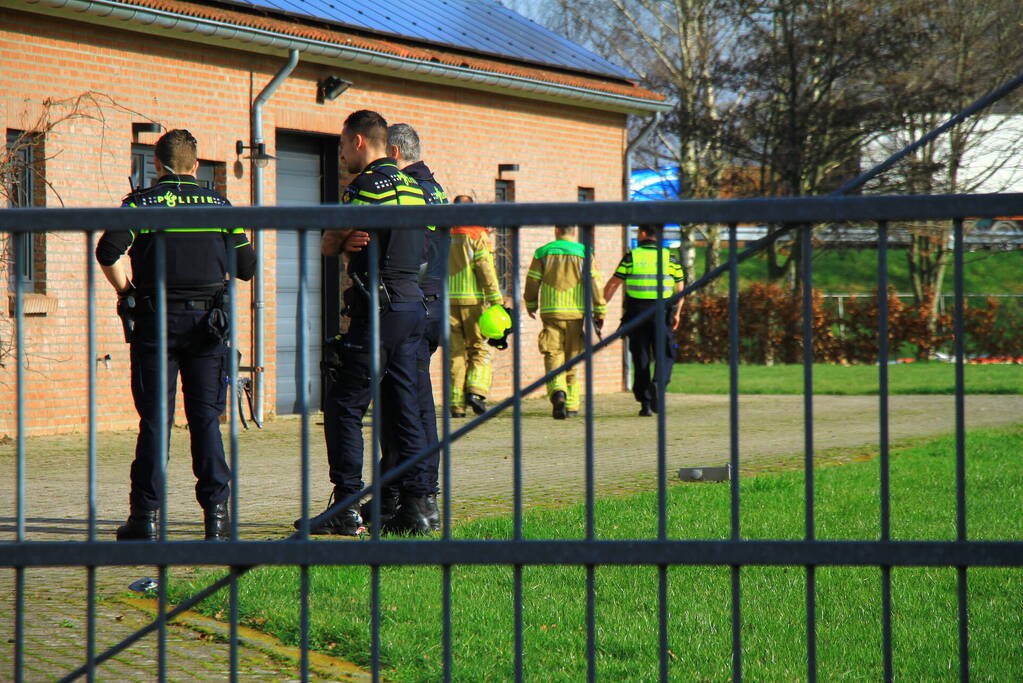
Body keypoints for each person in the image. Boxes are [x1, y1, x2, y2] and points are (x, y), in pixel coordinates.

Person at [95, 128, 255, 541]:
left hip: (155, 323)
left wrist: (126, 291)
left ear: (156, 164)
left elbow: (107, 253)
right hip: (208, 328)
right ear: (196, 165)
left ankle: (145, 519)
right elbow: (246, 267)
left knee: (155, 421)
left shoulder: (142, 204)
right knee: (205, 421)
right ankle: (216, 520)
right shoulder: (220, 206)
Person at [307, 109, 434, 536]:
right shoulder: (416, 188)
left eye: (342, 145)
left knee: (343, 406)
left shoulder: (363, 188)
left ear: (359, 142)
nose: (341, 154)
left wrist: (344, 240)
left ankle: (345, 506)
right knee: (405, 410)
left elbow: (329, 243)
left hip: (376, 310)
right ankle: (418, 507)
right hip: (412, 308)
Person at [366, 122, 447, 532]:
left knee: (405, 408)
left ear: (394, 152)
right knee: (413, 404)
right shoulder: (435, 188)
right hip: (431, 304)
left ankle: (416, 497)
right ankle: (400, 493)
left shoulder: (404, 190)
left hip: (407, 303)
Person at [522, 225, 606, 419]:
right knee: (573, 357)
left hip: (551, 312)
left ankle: (558, 393)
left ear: (557, 230)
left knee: (553, 354)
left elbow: (532, 281)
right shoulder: (585, 253)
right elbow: (595, 282)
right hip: (576, 314)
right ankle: (572, 405)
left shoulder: (543, 252)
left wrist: (531, 303)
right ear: (574, 232)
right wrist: (600, 309)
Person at [603, 224, 685, 416]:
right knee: (665, 353)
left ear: (643, 234)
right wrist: (677, 313)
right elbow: (681, 289)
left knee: (640, 356)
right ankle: (658, 385)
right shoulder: (670, 258)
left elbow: (613, 284)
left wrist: (600, 309)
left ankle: (645, 403)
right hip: (662, 312)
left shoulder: (632, 256)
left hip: (636, 312)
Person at [447, 195, 503, 417]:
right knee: (479, 348)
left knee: (456, 353)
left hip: (448, 303)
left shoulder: (442, 234)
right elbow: (485, 269)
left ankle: (456, 405)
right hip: (474, 303)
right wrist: (496, 300)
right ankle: (476, 392)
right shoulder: (478, 234)